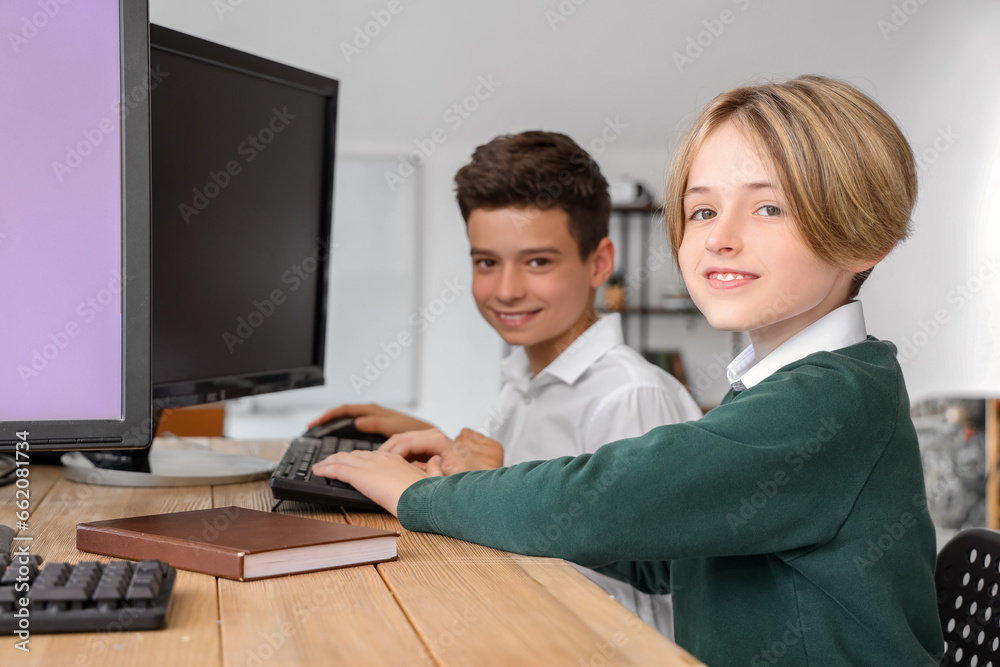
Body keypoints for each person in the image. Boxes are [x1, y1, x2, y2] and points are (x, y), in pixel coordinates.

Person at [312, 75, 945, 665]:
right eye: (701, 211)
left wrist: (417, 495)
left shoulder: (829, 399)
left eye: (768, 208)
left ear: (866, 236)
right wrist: (492, 479)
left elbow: (604, 501)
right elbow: (663, 557)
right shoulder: (786, 387)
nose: (720, 237)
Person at [311, 130, 703, 637]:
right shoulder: (525, 379)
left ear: (599, 263)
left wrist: (479, 490)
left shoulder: (630, 396)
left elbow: (665, 589)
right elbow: (531, 490)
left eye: (538, 262)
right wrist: (447, 448)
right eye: (486, 262)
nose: (507, 290)